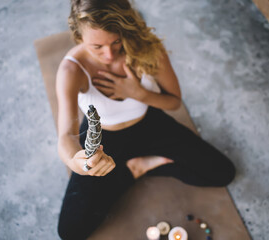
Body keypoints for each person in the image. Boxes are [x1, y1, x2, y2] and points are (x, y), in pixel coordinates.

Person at [56, 0, 235, 239]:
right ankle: (132, 168)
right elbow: (66, 135)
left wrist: (139, 93)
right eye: (97, 46)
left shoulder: (147, 49)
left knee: (222, 172)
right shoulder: (71, 70)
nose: (109, 54)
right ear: (78, 37)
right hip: (103, 135)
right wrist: (77, 162)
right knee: (71, 231)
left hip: (149, 124)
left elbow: (174, 102)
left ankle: (145, 164)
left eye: (116, 41)